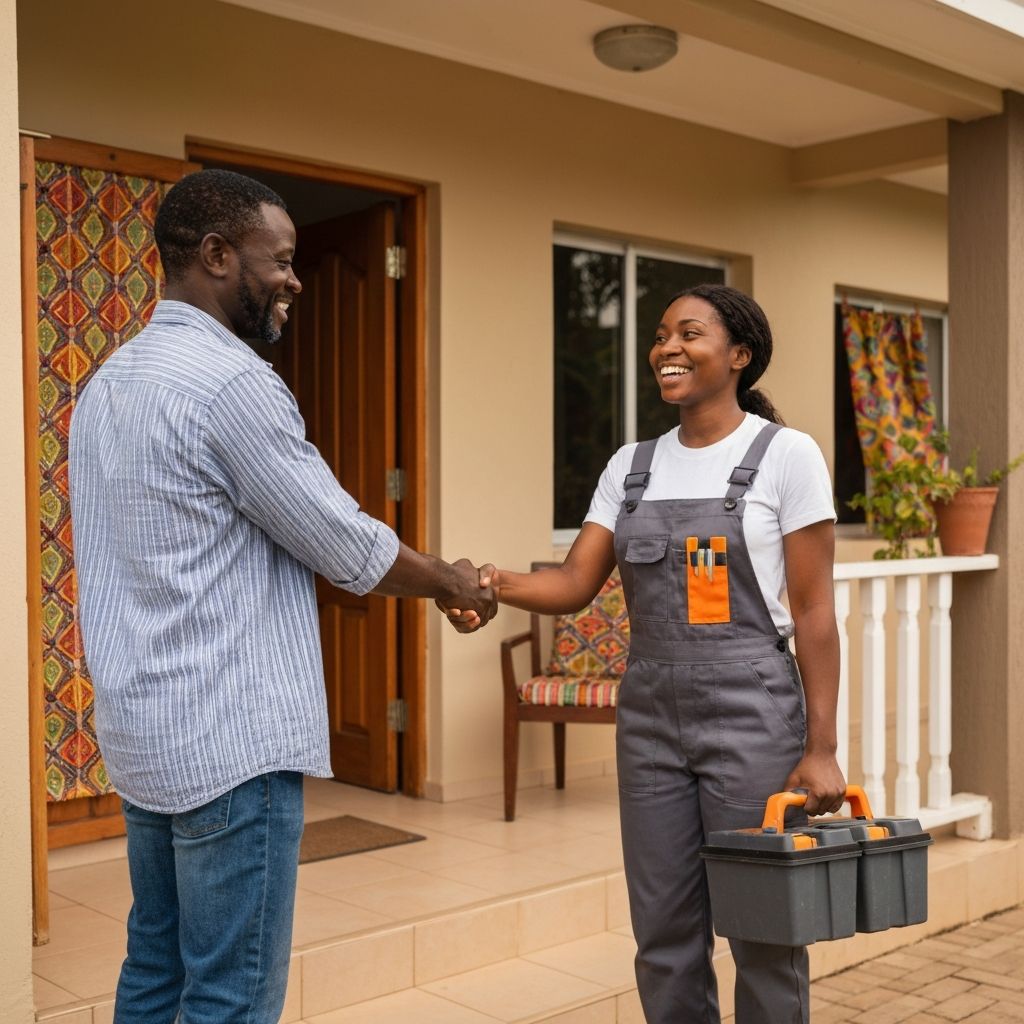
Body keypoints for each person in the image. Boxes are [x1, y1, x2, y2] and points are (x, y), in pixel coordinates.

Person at [68, 168, 496, 1024]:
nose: (296, 279)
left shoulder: (108, 384)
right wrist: (451, 579)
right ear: (219, 255)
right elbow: (340, 540)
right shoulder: (230, 385)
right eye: (283, 259)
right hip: (230, 743)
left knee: (154, 966)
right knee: (231, 993)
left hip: (145, 734)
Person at [451, 284, 845, 1023]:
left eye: (689, 333)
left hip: (752, 714)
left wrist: (821, 746)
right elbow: (573, 583)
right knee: (662, 934)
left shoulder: (787, 457)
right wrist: (488, 581)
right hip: (651, 720)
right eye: (661, 334)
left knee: (764, 931)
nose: (667, 347)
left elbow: (816, 613)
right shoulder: (631, 466)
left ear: (739, 354)